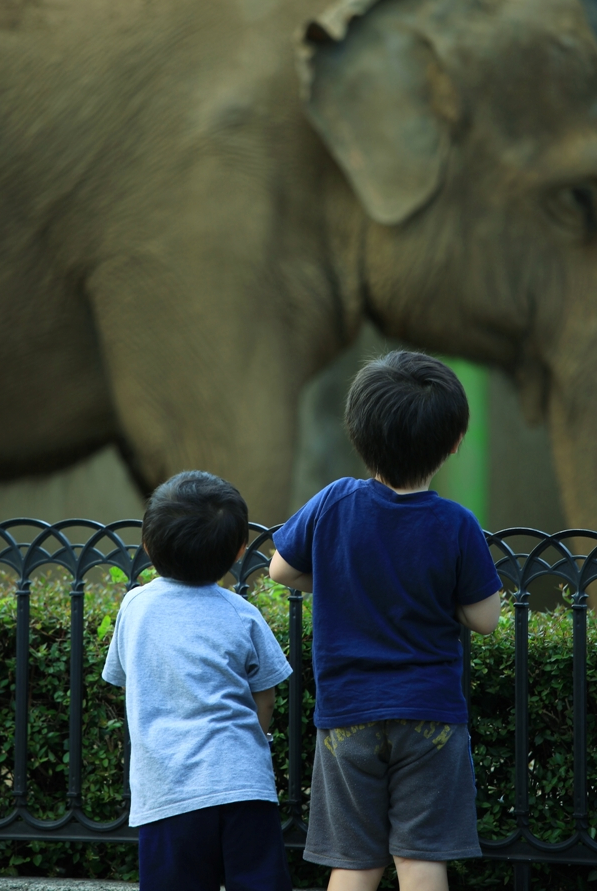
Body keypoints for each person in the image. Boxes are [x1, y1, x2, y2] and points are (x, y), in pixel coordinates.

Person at [269, 351, 502, 891]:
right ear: (453, 442)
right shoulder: (456, 523)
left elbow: (282, 570)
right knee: (421, 860)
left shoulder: (334, 502)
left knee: (353, 863)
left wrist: (338, 582)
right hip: (430, 714)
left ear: (359, 433)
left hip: (347, 713)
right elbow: (486, 619)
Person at [102, 470, 293, 891]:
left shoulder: (135, 607)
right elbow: (266, 691)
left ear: (148, 545)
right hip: (245, 786)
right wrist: (254, 735)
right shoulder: (243, 614)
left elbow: (122, 677)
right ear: (240, 551)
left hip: (167, 794)